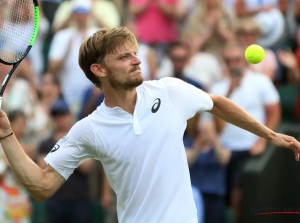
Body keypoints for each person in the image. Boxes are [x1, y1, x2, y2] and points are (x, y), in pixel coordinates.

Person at [0, 27, 299, 223]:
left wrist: (269, 134)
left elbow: (217, 103)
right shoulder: (88, 129)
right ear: (99, 69)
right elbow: (41, 186)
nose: (136, 60)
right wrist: (6, 134)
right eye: (124, 56)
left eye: (135, 53)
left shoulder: (169, 90)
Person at [210, 42, 281, 223]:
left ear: (245, 61)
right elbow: (216, 125)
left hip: (248, 150)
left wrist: (262, 140)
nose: (233, 64)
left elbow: (274, 111)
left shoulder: (261, 82)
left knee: (237, 196)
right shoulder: (218, 89)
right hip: (223, 151)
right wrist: (230, 90)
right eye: (229, 61)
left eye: (237, 60)